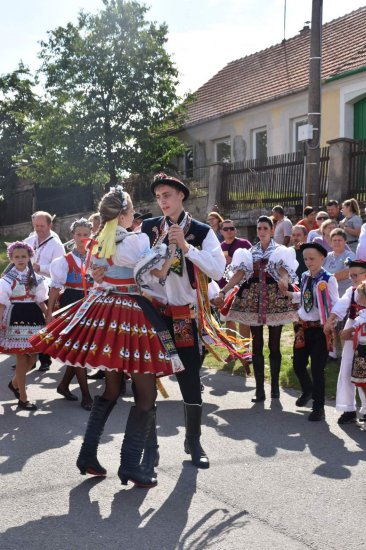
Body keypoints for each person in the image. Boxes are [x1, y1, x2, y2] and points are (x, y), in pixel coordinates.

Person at [31, 185, 182, 488]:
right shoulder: (136, 239)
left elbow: (96, 275)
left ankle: (88, 454)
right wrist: (174, 251)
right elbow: (157, 274)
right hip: (130, 314)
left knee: (112, 389)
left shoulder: (100, 240)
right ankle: (130, 465)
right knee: (146, 394)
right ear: (126, 213)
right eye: (131, 211)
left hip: (103, 312)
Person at [139, 173, 226, 469]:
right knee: (147, 378)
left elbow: (217, 270)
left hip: (185, 317)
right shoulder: (149, 228)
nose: (162, 201)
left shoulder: (201, 231)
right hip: (153, 315)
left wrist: (187, 248)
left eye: (167, 195)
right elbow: (135, 266)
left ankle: (194, 440)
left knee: (189, 378)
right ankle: (150, 447)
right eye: (159, 196)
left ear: (181, 196)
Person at [217, 215, 298, 402]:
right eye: (259, 228)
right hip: (253, 301)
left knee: (275, 345)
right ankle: (260, 390)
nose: (261, 231)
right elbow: (238, 275)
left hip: (275, 299)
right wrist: (223, 291)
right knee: (257, 345)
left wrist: (284, 279)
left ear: (271, 230)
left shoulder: (280, 251)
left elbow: (284, 270)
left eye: (265, 228)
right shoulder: (248, 253)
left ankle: (275, 388)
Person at [282, 242, 339, 421]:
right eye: (305, 258)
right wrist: (290, 293)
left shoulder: (329, 279)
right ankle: (308, 390)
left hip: (320, 329)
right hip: (302, 328)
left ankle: (318, 407)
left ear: (322, 258)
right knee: (298, 364)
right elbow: (304, 296)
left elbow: (335, 304)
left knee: (317, 369)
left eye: (312, 258)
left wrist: (331, 323)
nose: (308, 262)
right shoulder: (305, 276)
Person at [45, 218, 94, 410]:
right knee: (79, 349)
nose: (82, 238)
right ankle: (87, 396)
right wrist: (49, 312)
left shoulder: (96, 257)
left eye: (86, 235)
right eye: (79, 235)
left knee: (81, 349)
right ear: (72, 236)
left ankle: (64, 385)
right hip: (72, 304)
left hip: (91, 303)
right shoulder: (63, 261)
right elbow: (55, 289)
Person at [0, 242, 48, 410]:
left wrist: (48, 315)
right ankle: (23, 397)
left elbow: (40, 299)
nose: (20, 259)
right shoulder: (7, 279)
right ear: (11, 258)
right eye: (17, 256)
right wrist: (0, 320)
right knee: (22, 357)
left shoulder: (35, 277)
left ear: (29, 257)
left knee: (32, 359)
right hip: (16, 317)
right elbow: (2, 303)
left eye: (24, 256)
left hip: (34, 317)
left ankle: (14, 384)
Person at [324, 259, 366, 425]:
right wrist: (331, 320)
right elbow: (341, 305)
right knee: (348, 368)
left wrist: (353, 330)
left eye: (355, 275)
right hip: (353, 328)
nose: (353, 278)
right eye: (351, 275)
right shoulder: (352, 290)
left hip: (360, 332)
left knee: (364, 374)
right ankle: (348, 408)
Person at [25, 211, 65, 372]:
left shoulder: (56, 245)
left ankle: (45, 359)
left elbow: (61, 268)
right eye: (36, 226)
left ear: (50, 225)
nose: (38, 229)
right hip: (27, 288)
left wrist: (40, 267)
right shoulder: (29, 241)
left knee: (44, 324)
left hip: (47, 288)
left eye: (42, 226)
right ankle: (27, 358)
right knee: (27, 322)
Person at [217, 219, 251, 363]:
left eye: (232, 228)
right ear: (221, 232)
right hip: (224, 288)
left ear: (236, 230)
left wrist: (234, 262)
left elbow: (251, 263)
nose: (229, 231)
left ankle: (244, 351)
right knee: (228, 319)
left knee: (243, 319)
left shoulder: (244, 244)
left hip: (242, 287)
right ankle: (232, 351)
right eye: (226, 229)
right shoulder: (219, 247)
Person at [346, 282, 366, 426]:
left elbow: (357, 325)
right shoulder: (362, 313)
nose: (356, 297)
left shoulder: (363, 316)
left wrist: (349, 330)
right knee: (362, 384)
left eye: (359, 294)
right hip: (361, 350)